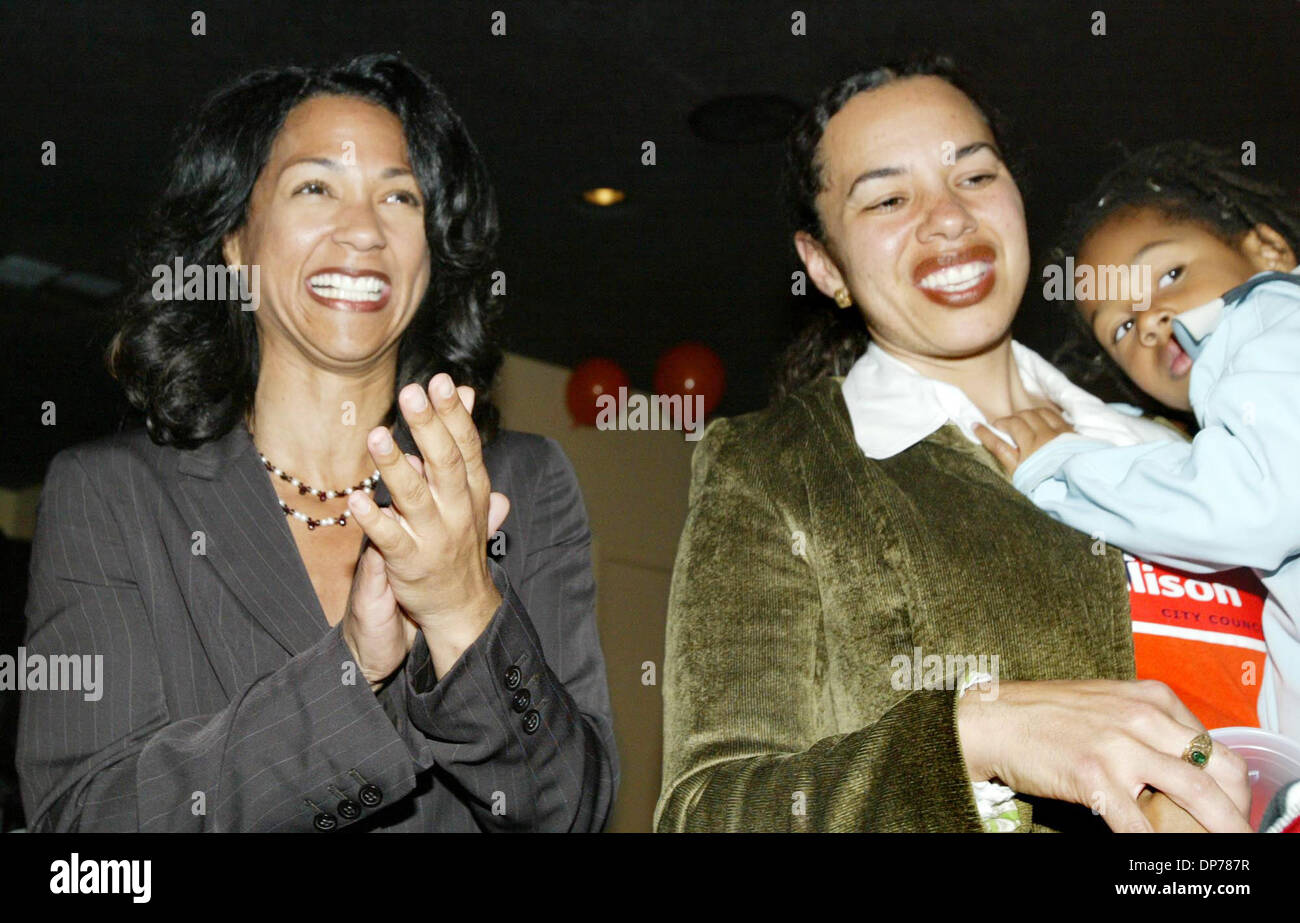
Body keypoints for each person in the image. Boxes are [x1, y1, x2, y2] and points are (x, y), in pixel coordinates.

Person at [17, 53, 616, 832]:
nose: (363, 229)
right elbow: (84, 838)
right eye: (315, 187)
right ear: (235, 242)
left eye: (399, 196)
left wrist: (465, 610)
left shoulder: (521, 485)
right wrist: (354, 674)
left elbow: (572, 814)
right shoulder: (113, 497)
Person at [655, 58, 1251, 833]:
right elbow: (707, 814)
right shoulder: (781, 465)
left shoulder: (1179, 444)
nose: (947, 217)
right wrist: (978, 737)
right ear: (825, 265)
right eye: (890, 198)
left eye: (974, 176)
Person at [976, 142, 1300, 743]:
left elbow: (1251, 505)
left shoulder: (1274, 321)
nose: (1150, 319)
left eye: (1171, 274)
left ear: (1269, 251)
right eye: (1122, 327)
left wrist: (1066, 470)